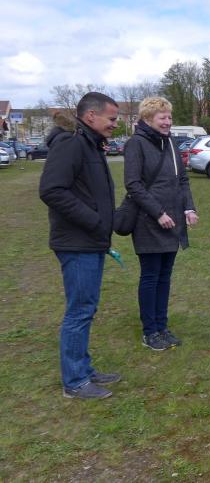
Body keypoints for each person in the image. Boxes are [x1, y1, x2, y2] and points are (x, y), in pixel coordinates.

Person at [39, 92, 121, 399]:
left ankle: (83, 369)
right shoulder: (71, 144)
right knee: (80, 311)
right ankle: (75, 381)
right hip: (77, 242)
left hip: (90, 240)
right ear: (91, 116)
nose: (115, 124)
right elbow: (52, 190)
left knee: (86, 307)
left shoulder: (90, 143)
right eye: (112, 119)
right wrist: (93, 220)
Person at [123, 97, 198, 351]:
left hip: (173, 220)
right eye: (162, 117)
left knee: (165, 276)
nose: (168, 122)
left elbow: (182, 180)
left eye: (169, 117)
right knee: (151, 276)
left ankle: (162, 326)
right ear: (147, 119)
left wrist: (189, 208)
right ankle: (150, 331)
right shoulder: (136, 144)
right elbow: (133, 184)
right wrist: (158, 213)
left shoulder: (170, 142)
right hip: (149, 221)